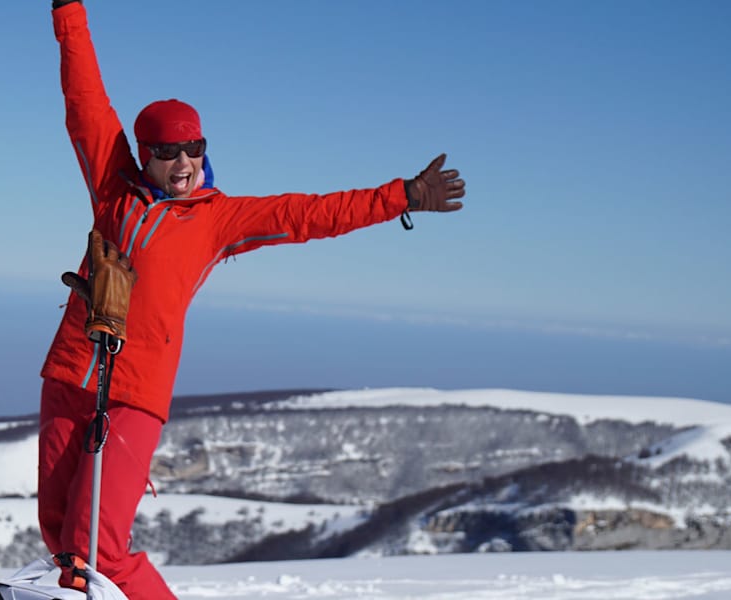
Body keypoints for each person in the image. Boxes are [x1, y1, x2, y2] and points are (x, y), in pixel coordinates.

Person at [38, 1, 468, 597]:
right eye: (167, 151)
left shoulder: (218, 220)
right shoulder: (112, 187)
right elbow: (84, 95)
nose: (183, 162)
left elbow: (309, 215)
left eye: (193, 147)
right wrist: (69, 11)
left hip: (134, 395)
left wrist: (403, 196)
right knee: (61, 536)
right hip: (68, 378)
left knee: (96, 546)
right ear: (144, 154)